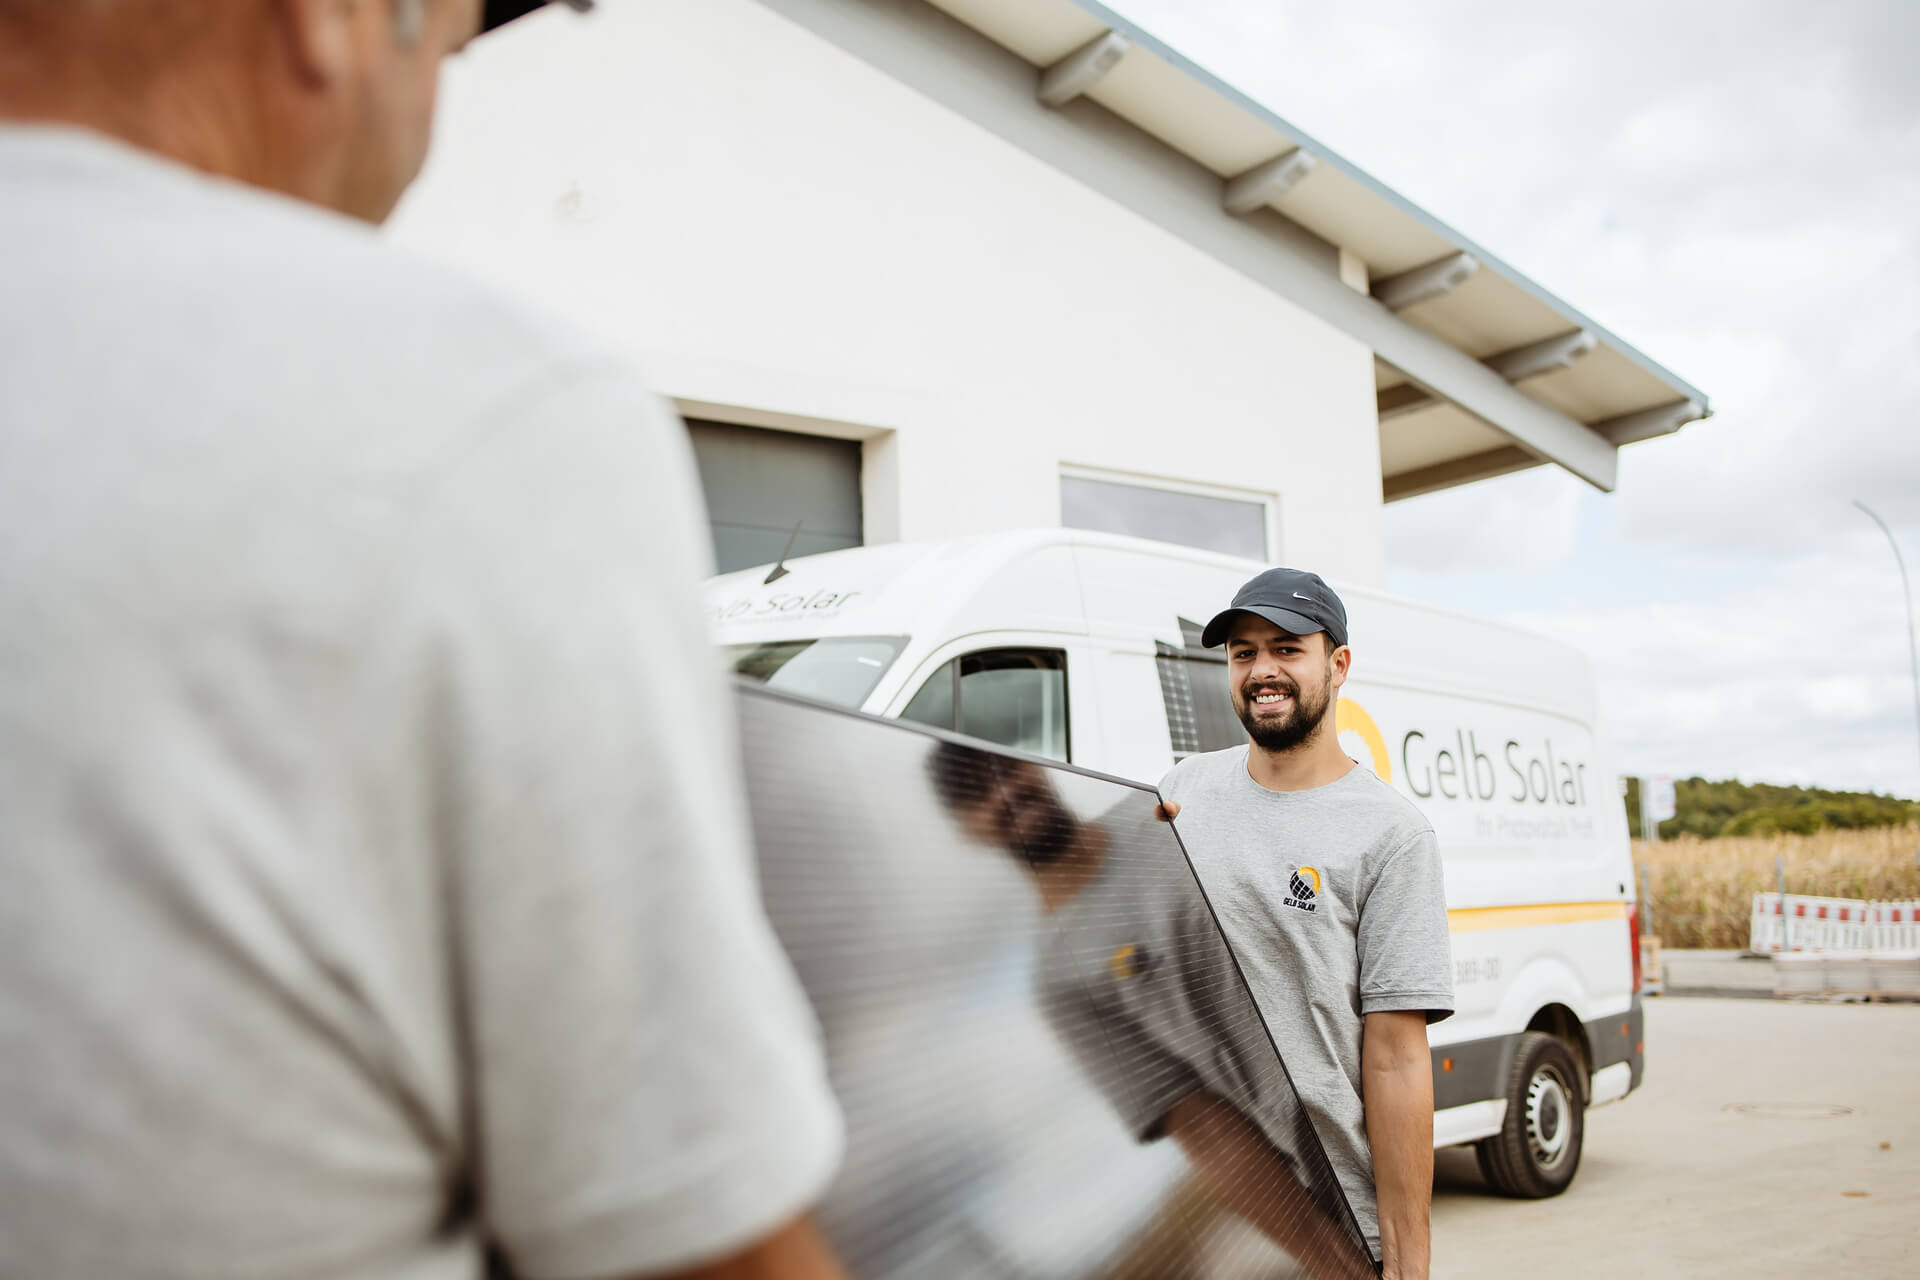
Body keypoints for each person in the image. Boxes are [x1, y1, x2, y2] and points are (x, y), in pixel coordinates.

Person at [0, 2, 847, 1277]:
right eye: (447, 54)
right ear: (335, 21)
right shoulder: (490, 407)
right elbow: (694, 1240)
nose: (426, 134)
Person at [927, 742, 1378, 1280]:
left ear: (1031, 765)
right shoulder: (1059, 980)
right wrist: (1333, 1266)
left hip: (1381, 1090)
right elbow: (1205, 1129)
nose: (1003, 792)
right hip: (1325, 1162)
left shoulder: (1167, 813)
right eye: (974, 793)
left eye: (1004, 770)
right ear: (966, 830)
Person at [1156, 568, 1454, 1280]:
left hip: (1327, 1222)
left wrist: (1408, 1264)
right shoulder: (1181, 793)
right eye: (1244, 653)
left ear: (1338, 664)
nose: (1262, 670)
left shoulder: (1392, 836)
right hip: (1190, 1216)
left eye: (1287, 649)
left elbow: (1396, 1060)